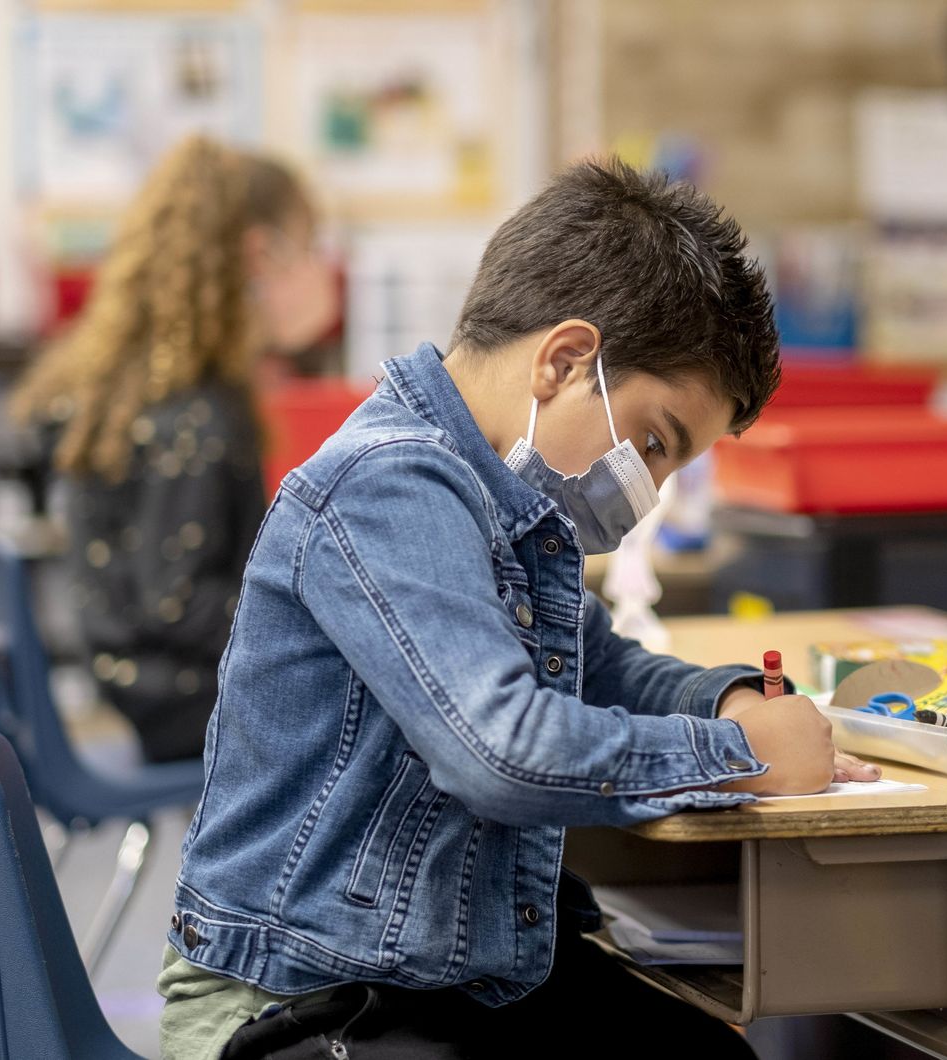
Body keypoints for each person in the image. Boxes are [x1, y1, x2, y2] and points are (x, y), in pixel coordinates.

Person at [157, 157, 882, 1059]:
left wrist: (724, 702)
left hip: (432, 977)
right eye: (655, 443)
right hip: (297, 995)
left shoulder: (499, 504)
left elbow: (602, 665)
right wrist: (737, 757)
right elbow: (499, 751)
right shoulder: (390, 483)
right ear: (565, 360)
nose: (649, 491)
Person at [12, 135, 337, 762]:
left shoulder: (166, 389)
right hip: (178, 697)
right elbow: (176, 601)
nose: (320, 268)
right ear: (259, 254)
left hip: (143, 681)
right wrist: (318, 610)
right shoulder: (199, 411)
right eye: (310, 245)